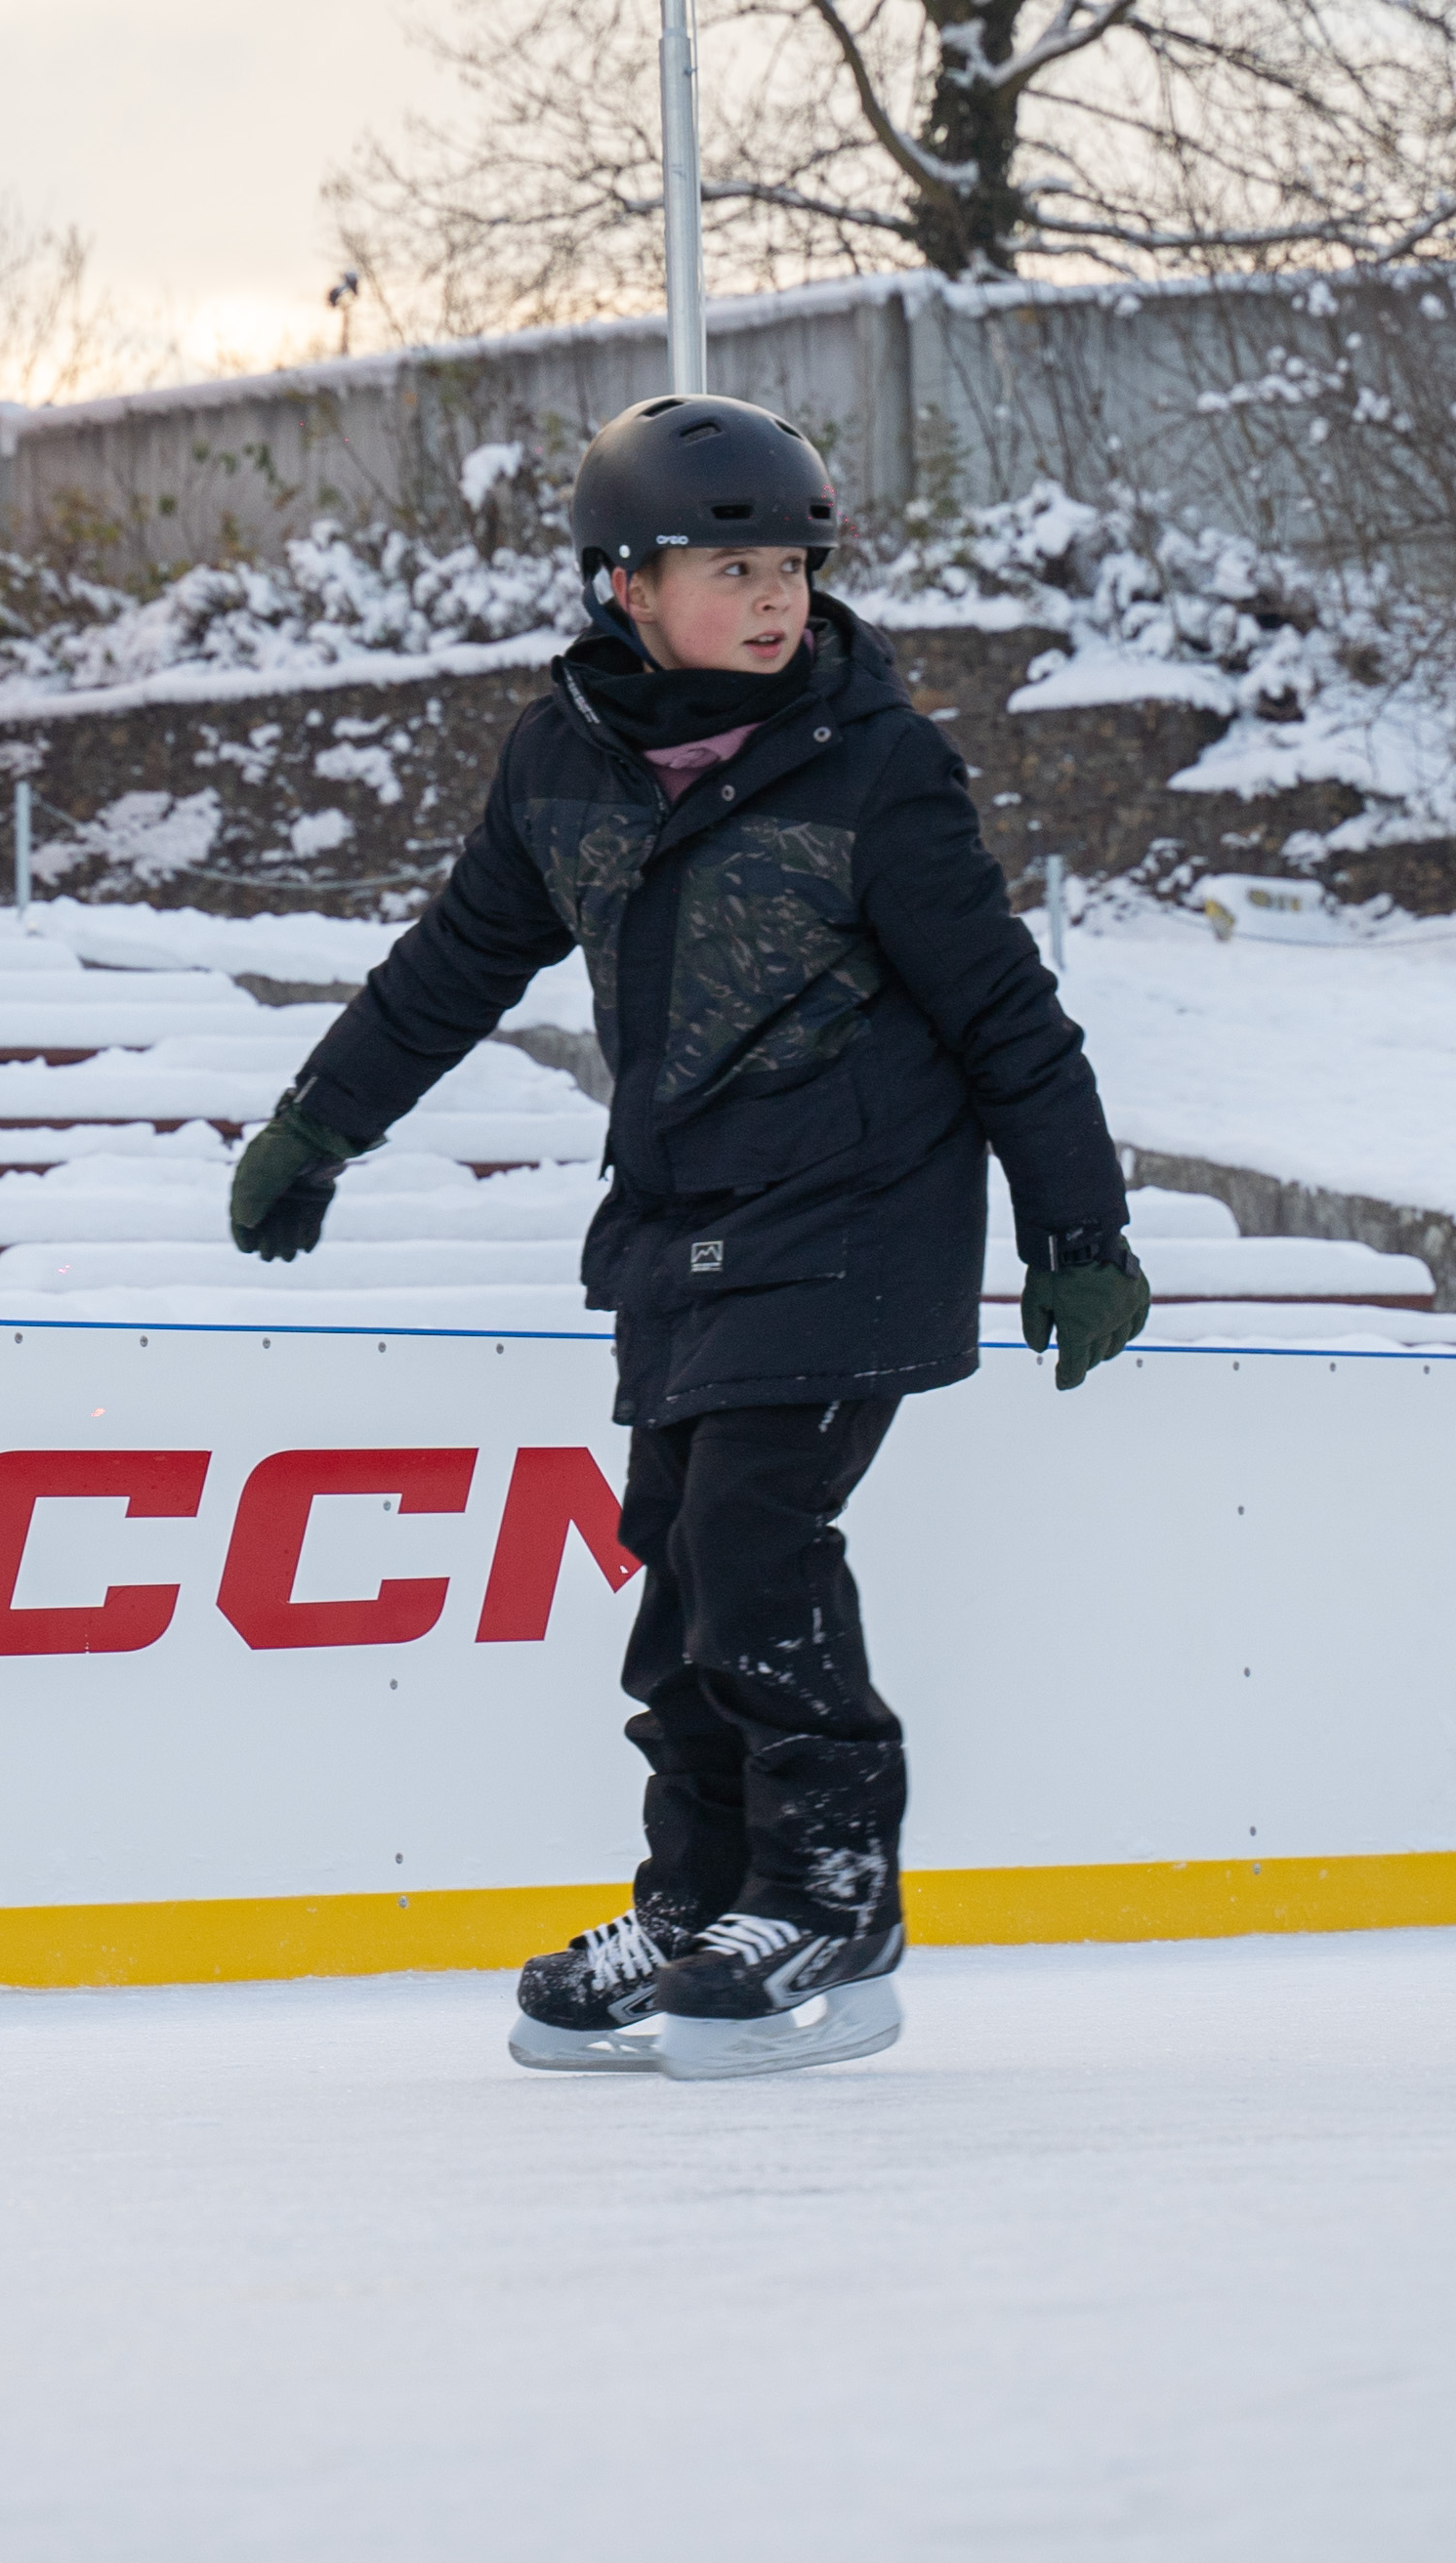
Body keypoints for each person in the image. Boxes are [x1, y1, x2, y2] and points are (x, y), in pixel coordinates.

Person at [225, 395, 1150, 2081]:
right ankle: (699, 1889)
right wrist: (319, 1124)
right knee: (677, 1564)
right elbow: (450, 967)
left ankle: (824, 1887)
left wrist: (1077, 1227)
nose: (775, 596)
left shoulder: (876, 765)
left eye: (791, 563)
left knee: (755, 1535)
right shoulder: (560, 764)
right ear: (625, 587)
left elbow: (1011, 1016)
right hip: (677, 1224)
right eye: (730, 566)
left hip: (860, 1210)